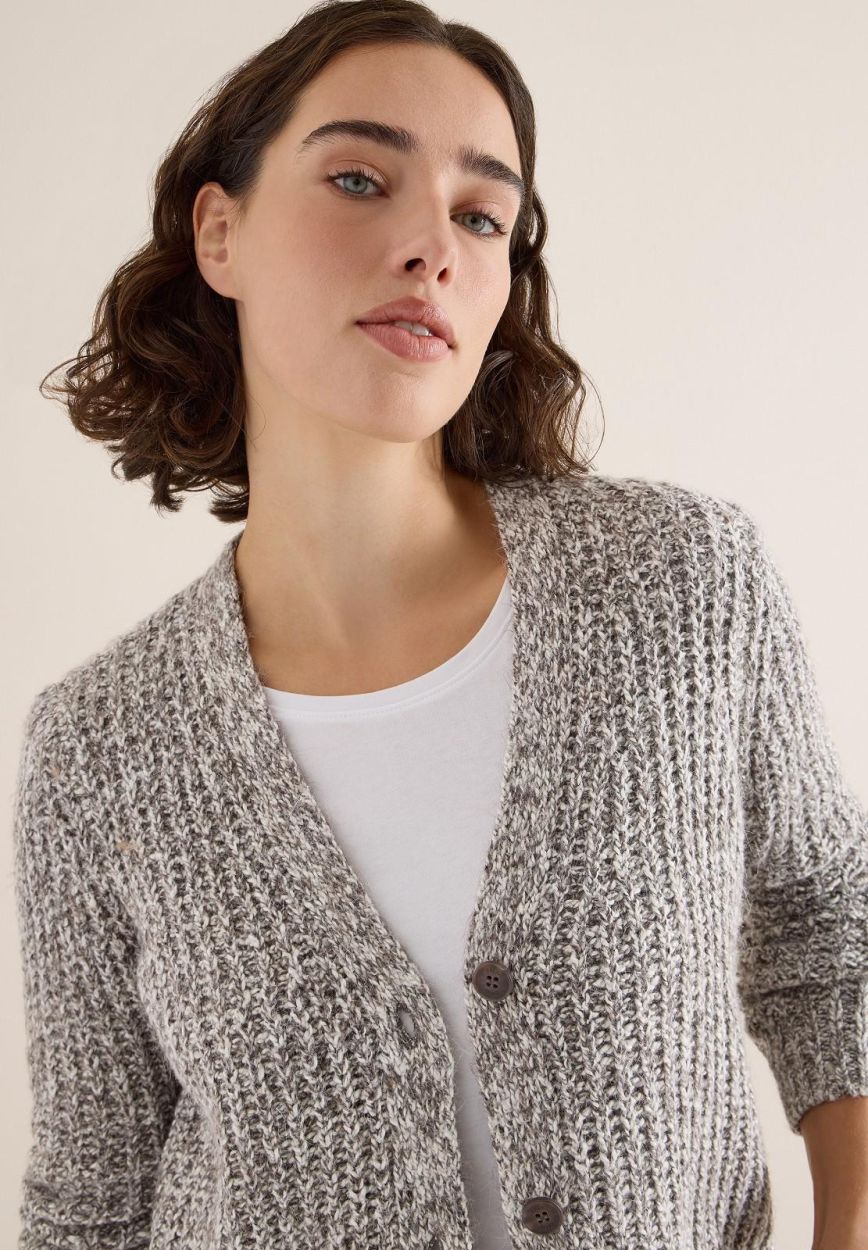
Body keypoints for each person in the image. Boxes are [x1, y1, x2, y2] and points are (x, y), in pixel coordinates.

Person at [12, 2, 868, 1248]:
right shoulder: (100, 746)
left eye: (480, 216)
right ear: (220, 231)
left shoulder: (678, 587)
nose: (430, 247)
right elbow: (91, 1196)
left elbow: (830, 930)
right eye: (360, 180)